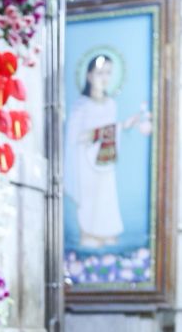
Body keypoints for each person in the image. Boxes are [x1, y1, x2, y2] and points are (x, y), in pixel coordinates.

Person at [65, 51, 152, 250]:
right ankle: (88, 233)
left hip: (104, 160)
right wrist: (105, 131)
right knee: (89, 200)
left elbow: (113, 130)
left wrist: (122, 126)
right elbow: (75, 137)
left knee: (106, 197)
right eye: (99, 73)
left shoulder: (111, 104)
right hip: (85, 161)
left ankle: (106, 232)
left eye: (107, 73)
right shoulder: (81, 106)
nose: (103, 78)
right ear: (88, 76)